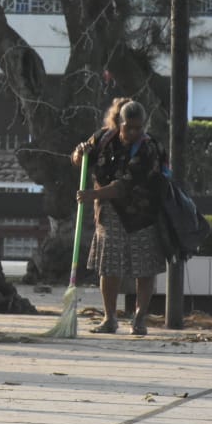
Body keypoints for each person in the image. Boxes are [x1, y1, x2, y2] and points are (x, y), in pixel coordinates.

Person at [72, 98, 167, 336]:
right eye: (128, 127)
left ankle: (139, 319)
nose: (134, 132)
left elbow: (125, 185)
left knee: (144, 268)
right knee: (109, 266)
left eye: (138, 127)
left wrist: (93, 193)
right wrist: (79, 153)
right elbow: (79, 160)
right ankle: (110, 318)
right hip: (109, 214)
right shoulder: (103, 139)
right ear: (118, 123)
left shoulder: (149, 148)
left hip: (143, 215)